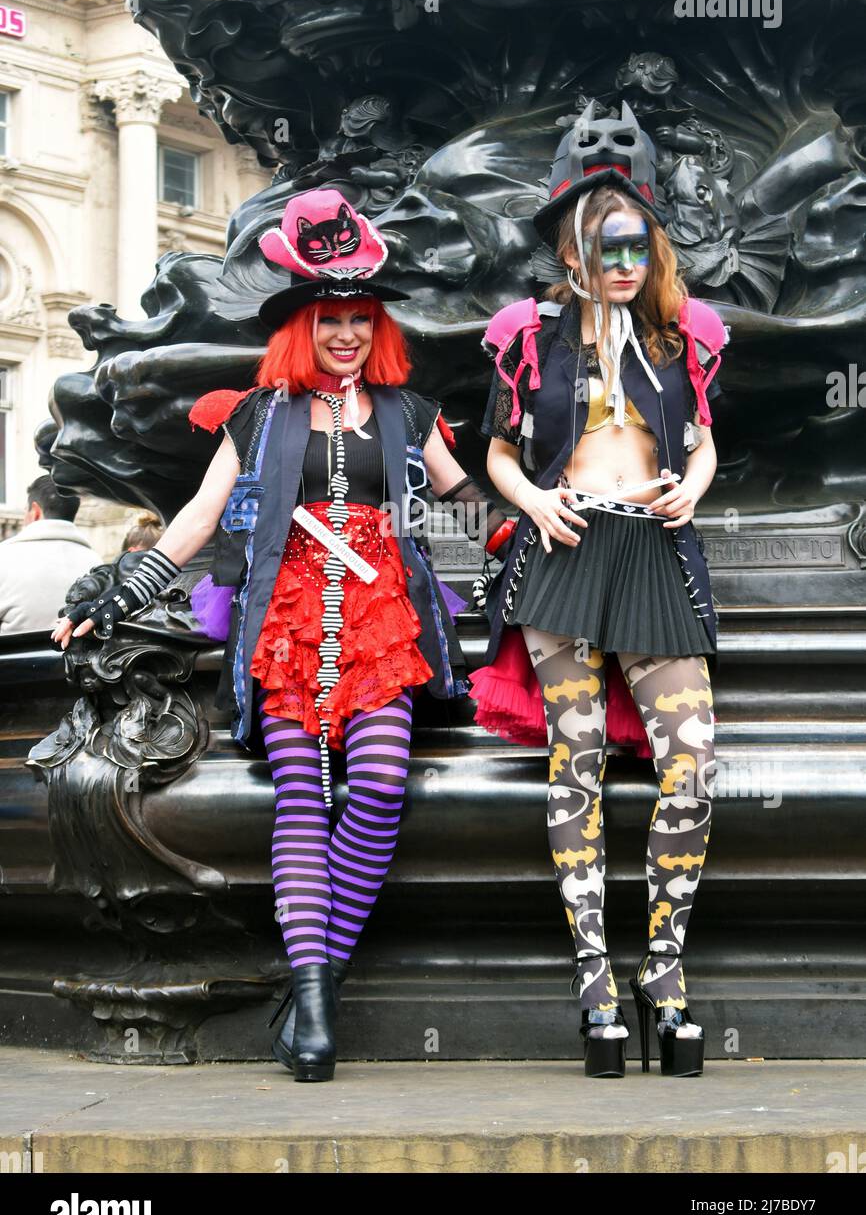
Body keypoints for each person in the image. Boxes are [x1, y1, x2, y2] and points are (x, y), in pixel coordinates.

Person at [50, 187, 514, 1083]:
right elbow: (196, 517)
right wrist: (120, 590)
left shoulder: (409, 413)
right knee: (302, 799)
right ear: (302, 326)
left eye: (359, 318)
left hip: (382, 615)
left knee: (377, 785)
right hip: (291, 616)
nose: (346, 333)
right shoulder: (259, 414)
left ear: (377, 326)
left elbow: (469, 502)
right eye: (329, 318)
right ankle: (312, 1002)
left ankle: (317, 979)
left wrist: (541, 517)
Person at [469, 100, 728, 1078]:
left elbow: (702, 445)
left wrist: (687, 491)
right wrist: (534, 501)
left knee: (691, 762)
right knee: (572, 757)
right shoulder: (524, 331)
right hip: (563, 555)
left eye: (624, 226)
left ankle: (662, 970)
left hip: (655, 551)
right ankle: (594, 979)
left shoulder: (684, 333)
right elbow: (494, 451)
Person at [0, 476, 94, 635]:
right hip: (79, 658)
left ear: (35, 512)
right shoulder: (97, 564)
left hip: (14, 659)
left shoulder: (4, 557)